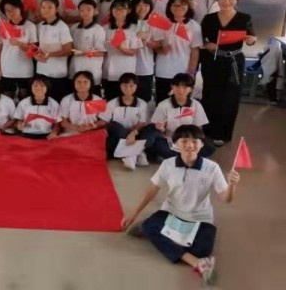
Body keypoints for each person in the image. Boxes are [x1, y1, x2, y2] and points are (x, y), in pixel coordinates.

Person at [121, 124, 241, 286]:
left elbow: (226, 199)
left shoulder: (212, 168)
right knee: (151, 226)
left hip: (200, 218)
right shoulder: (168, 164)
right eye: (184, 141)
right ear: (175, 144)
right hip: (171, 212)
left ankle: (163, 237)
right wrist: (134, 213)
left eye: (195, 141)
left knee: (203, 249)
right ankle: (198, 263)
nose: (190, 145)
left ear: (202, 144)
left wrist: (232, 185)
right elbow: (152, 190)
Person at [200, 0, 256, 146]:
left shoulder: (245, 18)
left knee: (230, 97)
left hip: (234, 61)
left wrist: (251, 40)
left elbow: (252, 37)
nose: (226, 1)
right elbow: (202, 39)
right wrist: (207, 44)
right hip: (213, 61)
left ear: (237, 0)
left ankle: (222, 133)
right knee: (210, 95)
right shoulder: (209, 18)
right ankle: (207, 130)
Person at [143, 73, 215, 159]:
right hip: (170, 139)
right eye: (177, 86)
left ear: (191, 89)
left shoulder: (196, 105)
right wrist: (161, 128)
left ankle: (176, 156)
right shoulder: (163, 105)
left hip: (189, 139)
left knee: (209, 148)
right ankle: (185, 156)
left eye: (185, 87)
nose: (180, 90)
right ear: (172, 87)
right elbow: (158, 129)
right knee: (159, 145)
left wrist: (190, 140)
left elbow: (198, 128)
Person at [154, 0, 203, 103]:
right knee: (162, 102)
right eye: (175, 5)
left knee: (181, 103)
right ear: (170, 7)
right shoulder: (162, 23)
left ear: (188, 6)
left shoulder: (194, 26)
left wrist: (191, 72)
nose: (178, 7)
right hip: (163, 70)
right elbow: (155, 47)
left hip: (183, 71)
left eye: (182, 5)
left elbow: (195, 51)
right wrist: (161, 49)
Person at [99, 73, 148, 169]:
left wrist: (133, 133)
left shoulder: (142, 104)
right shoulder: (112, 103)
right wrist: (92, 125)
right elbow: (104, 121)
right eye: (124, 85)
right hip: (117, 135)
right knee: (114, 125)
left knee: (148, 130)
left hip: (134, 135)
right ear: (120, 86)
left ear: (136, 86)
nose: (128, 88)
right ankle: (134, 153)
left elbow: (141, 123)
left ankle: (130, 154)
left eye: (131, 86)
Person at [0, 0, 38, 101]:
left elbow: (34, 50)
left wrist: (19, 44)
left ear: (20, 8)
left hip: (25, 71)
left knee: (26, 100)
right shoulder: (2, 26)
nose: (11, 13)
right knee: (7, 100)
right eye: (7, 11)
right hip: (7, 71)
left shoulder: (30, 26)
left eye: (13, 9)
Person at [102, 0, 142, 101]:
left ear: (129, 10)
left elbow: (133, 52)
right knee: (110, 100)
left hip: (126, 70)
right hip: (108, 70)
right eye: (116, 8)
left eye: (122, 8)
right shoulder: (105, 28)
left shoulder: (134, 28)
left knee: (124, 100)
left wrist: (119, 47)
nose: (118, 11)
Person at [34, 0, 73, 102]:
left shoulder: (62, 27)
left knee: (56, 101)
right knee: (42, 100)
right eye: (43, 7)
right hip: (41, 70)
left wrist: (50, 55)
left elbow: (68, 50)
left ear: (56, 9)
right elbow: (35, 46)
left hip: (57, 73)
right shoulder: (39, 26)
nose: (46, 10)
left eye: (50, 7)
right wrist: (35, 55)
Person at [69, 0, 105, 96]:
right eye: (82, 10)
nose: (85, 12)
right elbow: (70, 46)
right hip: (76, 67)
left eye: (89, 9)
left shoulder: (98, 29)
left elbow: (101, 52)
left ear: (95, 11)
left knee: (92, 97)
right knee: (75, 96)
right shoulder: (74, 28)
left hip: (92, 69)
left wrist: (83, 53)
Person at [129, 0, 159, 102]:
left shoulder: (153, 23)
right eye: (139, 5)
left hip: (145, 68)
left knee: (143, 100)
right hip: (127, 67)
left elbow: (157, 45)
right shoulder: (127, 23)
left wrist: (146, 39)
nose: (142, 8)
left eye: (146, 5)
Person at [14, 75, 61, 140]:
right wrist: (19, 125)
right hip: (27, 135)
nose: (38, 88)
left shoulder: (53, 104)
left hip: (47, 135)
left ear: (47, 87)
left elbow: (57, 124)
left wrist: (54, 133)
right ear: (31, 87)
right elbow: (19, 120)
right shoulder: (23, 103)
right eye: (35, 86)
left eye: (42, 86)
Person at [59, 71, 106, 136]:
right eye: (78, 82)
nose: (82, 84)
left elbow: (103, 120)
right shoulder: (66, 100)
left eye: (85, 82)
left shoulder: (98, 100)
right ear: (74, 83)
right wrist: (77, 128)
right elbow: (63, 122)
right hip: (72, 132)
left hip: (92, 131)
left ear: (91, 84)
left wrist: (93, 126)